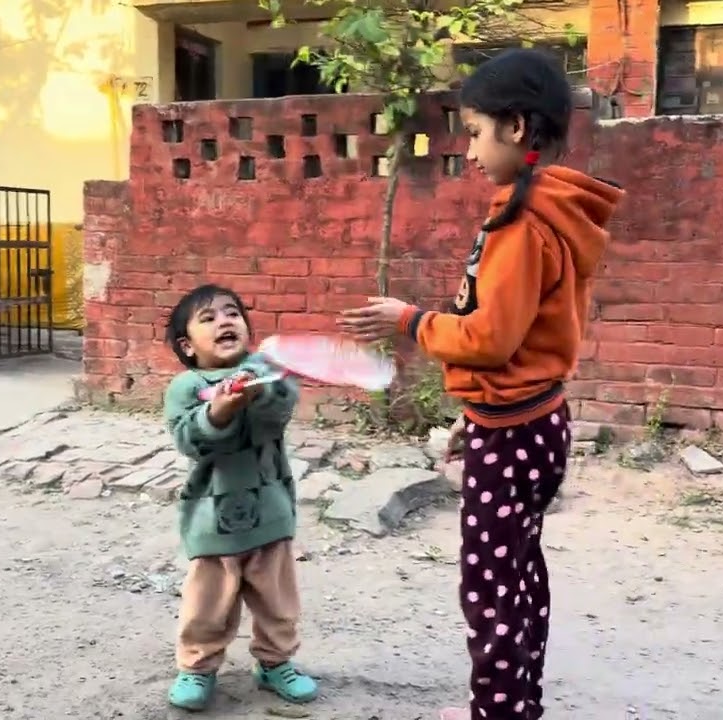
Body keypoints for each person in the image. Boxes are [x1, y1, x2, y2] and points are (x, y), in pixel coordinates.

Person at [338, 48, 625, 720]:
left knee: (492, 584)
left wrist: (408, 320)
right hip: (532, 418)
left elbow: (490, 338)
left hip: (516, 433)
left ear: (517, 127)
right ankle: (512, 703)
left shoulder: (523, 226)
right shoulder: (541, 212)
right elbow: (518, 345)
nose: (467, 150)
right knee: (518, 572)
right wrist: (476, 408)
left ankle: (498, 712)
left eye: (473, 132)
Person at [161, 283, 319, 712]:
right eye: (208, 319)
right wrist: (220, 410)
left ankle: (275, 663)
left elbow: (279, 411)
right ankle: (198, 667)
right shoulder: (186, 385)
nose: (224, 321)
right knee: (207, 605)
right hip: (213, 520)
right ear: (187, 345)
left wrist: (260, 388)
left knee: (278, 601)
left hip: (271, 513)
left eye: (232, 313)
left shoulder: (266, 372)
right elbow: (190, 439)